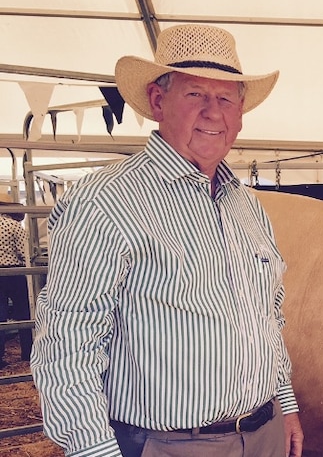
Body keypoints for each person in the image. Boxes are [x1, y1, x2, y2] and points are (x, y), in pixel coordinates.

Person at [31, 24, 303, 457]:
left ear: (241, 109)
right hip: (170, 445)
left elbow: (267, 318)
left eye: (226, 97)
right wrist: (94, 452)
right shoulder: (105, 201)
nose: (214, 113)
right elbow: (68, 345)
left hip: (262, 433)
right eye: (196, 94)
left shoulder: (246, 206)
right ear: (159, 101)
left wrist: (284, 405)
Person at [0, 192, 31, 368]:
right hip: (14, 272)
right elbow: (24, 252)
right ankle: (27, 351)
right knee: (23, 312)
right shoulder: (14, 226)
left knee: (0, 315)